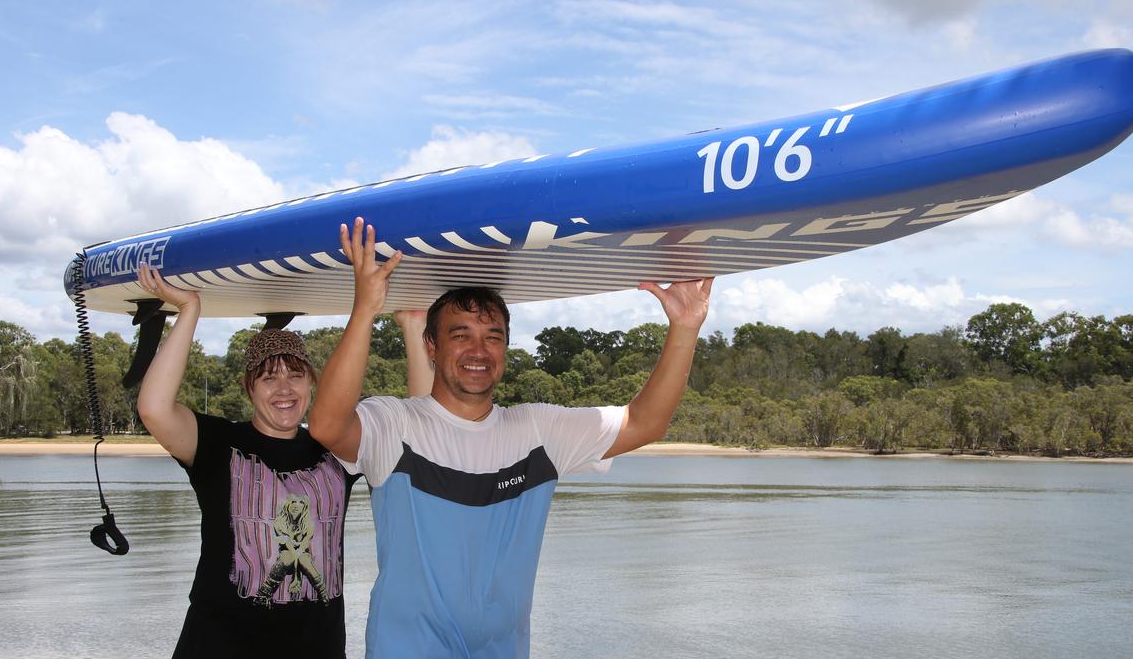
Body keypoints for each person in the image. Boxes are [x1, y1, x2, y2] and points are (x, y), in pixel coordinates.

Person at [308, 218, 712, 658]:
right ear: (431, 346)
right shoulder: (394, 425)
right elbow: (328, 426)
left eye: (492, 338)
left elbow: (643, 423)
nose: (477, 351)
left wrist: (685, 325)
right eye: (459, 336)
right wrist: (365, 307)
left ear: (505, 350)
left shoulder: (537, 431)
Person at [134, 261, 432, 658]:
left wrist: (413, 327)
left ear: (311, 381)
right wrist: (189, 310)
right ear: (249, 388)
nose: (284, 389)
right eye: (268, 377)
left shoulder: (332, 447)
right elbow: (153, 408)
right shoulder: (218, 444)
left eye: (294, 375)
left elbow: (422, 428)